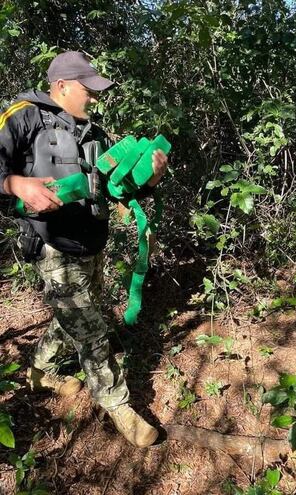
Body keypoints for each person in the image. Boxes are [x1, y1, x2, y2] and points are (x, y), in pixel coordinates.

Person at [0, 51, 168, 448]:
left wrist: (151, 178)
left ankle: (39, 369)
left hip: (90, 242)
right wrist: (17, 185)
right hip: (52, 245)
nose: (94, 98)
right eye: (87, 90)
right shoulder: (22, 116)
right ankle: (120, 407)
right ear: (61, 86)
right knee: (92, 330)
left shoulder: (95, 132)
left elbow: (118, 187)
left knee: (71, 316)